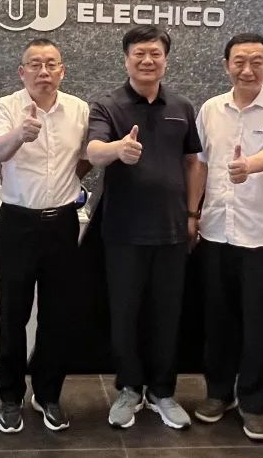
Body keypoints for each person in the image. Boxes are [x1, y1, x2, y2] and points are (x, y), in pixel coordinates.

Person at [86, 24, 202, 430]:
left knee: (167, 315)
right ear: (126, 59)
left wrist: (191, 214)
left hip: (172, 232)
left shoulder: (182, 106)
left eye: (155, 53)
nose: (147, 60)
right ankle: (129, 389)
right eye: (139, 53)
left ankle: (163, 392)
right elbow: (93, 151)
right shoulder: (107, 105)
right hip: (124, 233)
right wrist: (118, 149)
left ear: (165, 60)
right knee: (125, 315)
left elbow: (193, 162)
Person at [190, 32, 263, 441]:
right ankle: (218, 393)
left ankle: (253, 403)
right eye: (239, 61)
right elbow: (199, 164)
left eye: (256, 61)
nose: (247, 69)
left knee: (259, 325)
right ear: (226, 66)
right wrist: (191, 213)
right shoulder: (210, 109)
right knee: (217, 321)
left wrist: (249, 165)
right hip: (216, 232)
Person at [0, 38, 91, 433]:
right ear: (22, 71)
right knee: (13, 314)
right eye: (35, 64)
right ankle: (10, 397)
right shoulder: (5, 107)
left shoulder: (79, 109)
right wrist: (20, 134)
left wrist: (69, 183)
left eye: (51, 64)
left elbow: (85, 157)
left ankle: (48, 394)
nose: (43, 71)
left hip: (62, 222)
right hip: (18, 222)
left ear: (62, 70)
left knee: (56, 315)